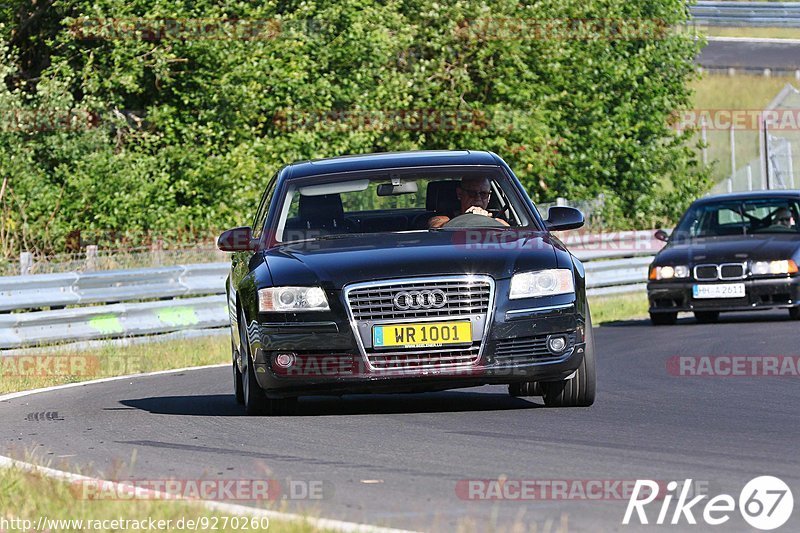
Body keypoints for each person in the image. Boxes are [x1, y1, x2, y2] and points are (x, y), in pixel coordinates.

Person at [428, 176, 510, 228]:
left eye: (483, 194)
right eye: (472, 193)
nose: (478, 198)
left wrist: (488, 220)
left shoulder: (498, 221)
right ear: (460, 194)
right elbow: (436, 226)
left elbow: (513, 236)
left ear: (489, 197)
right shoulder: (444, 218)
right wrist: (468, 217)